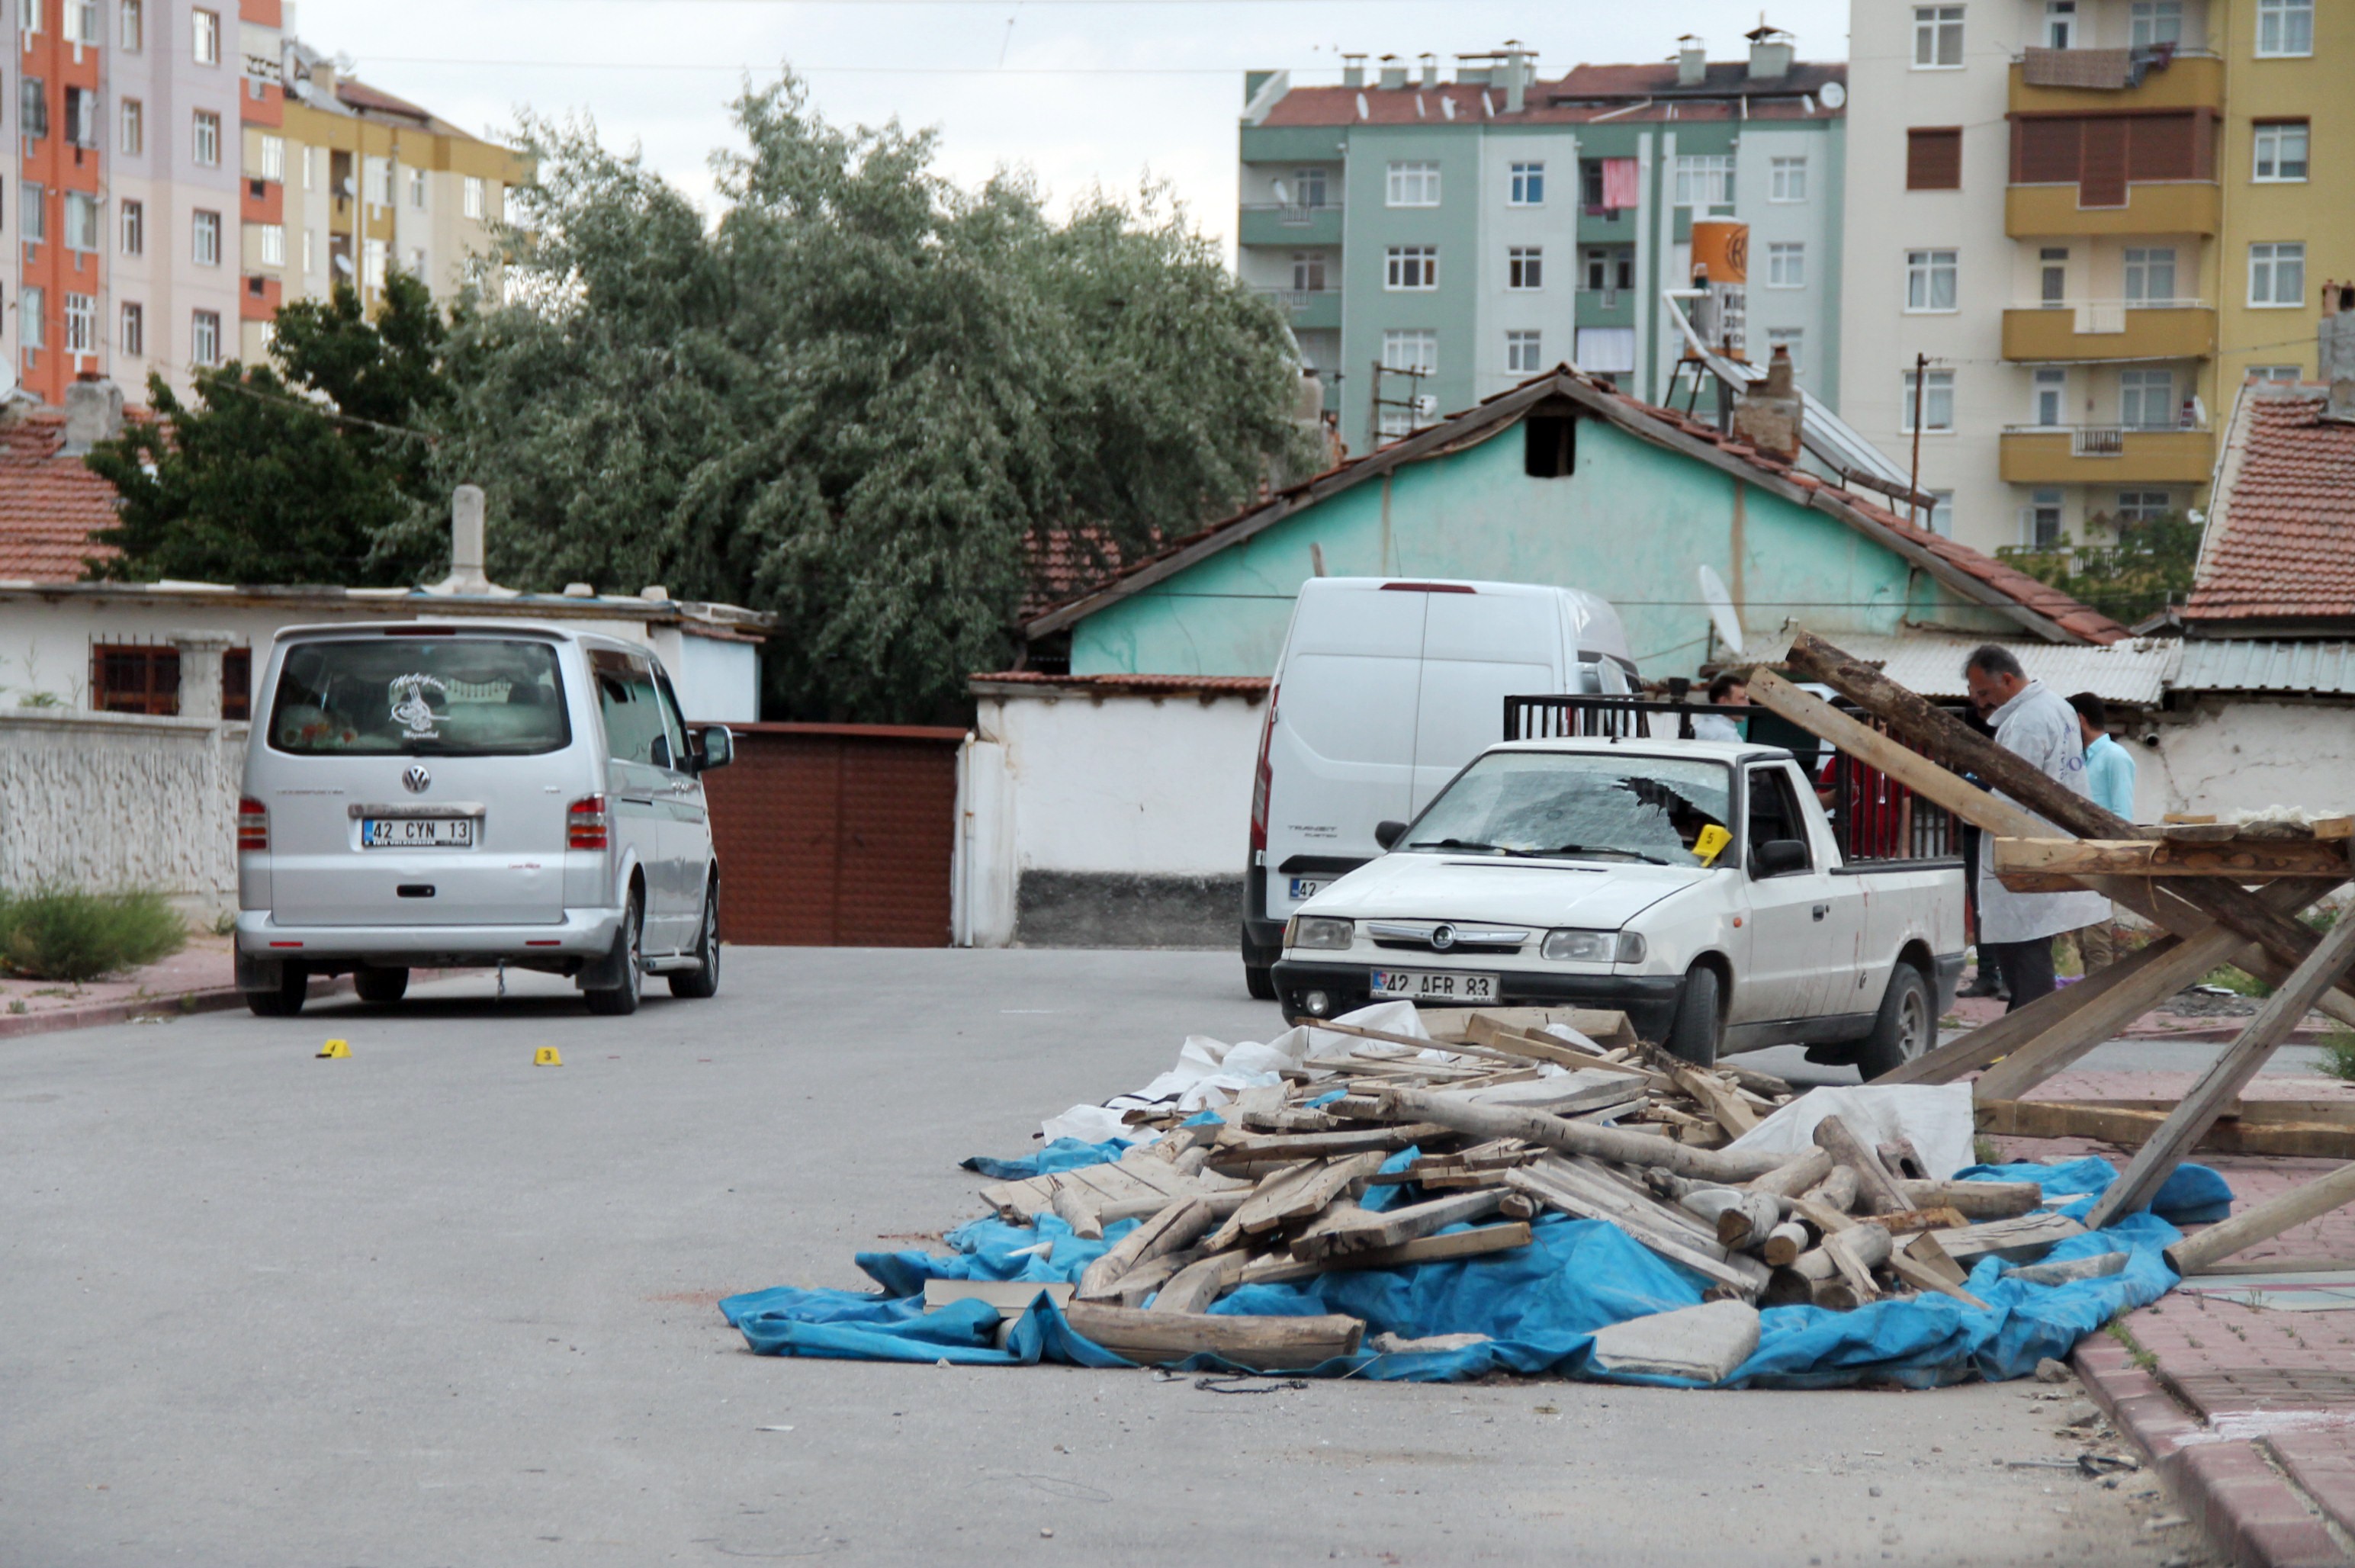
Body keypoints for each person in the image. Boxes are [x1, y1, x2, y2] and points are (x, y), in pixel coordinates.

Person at [1964, 646, 2110, 1011]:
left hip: (2024, 848)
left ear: (2008, 680)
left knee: (2024, 954)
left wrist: (1970, 802)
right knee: (2027, 952)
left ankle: (2025, 1043)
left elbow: (2014, 791)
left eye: (1984, 693)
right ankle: (2019, 1043)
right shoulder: (2056, 708)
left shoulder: (2029, 720)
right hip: (2046, 841)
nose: (1983, 703)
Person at [2068, 691, 2137, 974]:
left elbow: (2122, 816)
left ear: (2080, 720)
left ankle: (2099, 1010)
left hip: (2101, 860)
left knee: (2097, 942)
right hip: (2078, 857)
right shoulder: (2080, 759)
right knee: (2083, 942)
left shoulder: (2114, 757)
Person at [1691, 672, 1748, 743]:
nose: (1747, 704)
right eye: (1742, 699)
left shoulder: (1703, 724)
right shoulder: (1725, 734)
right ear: (1723, 701)